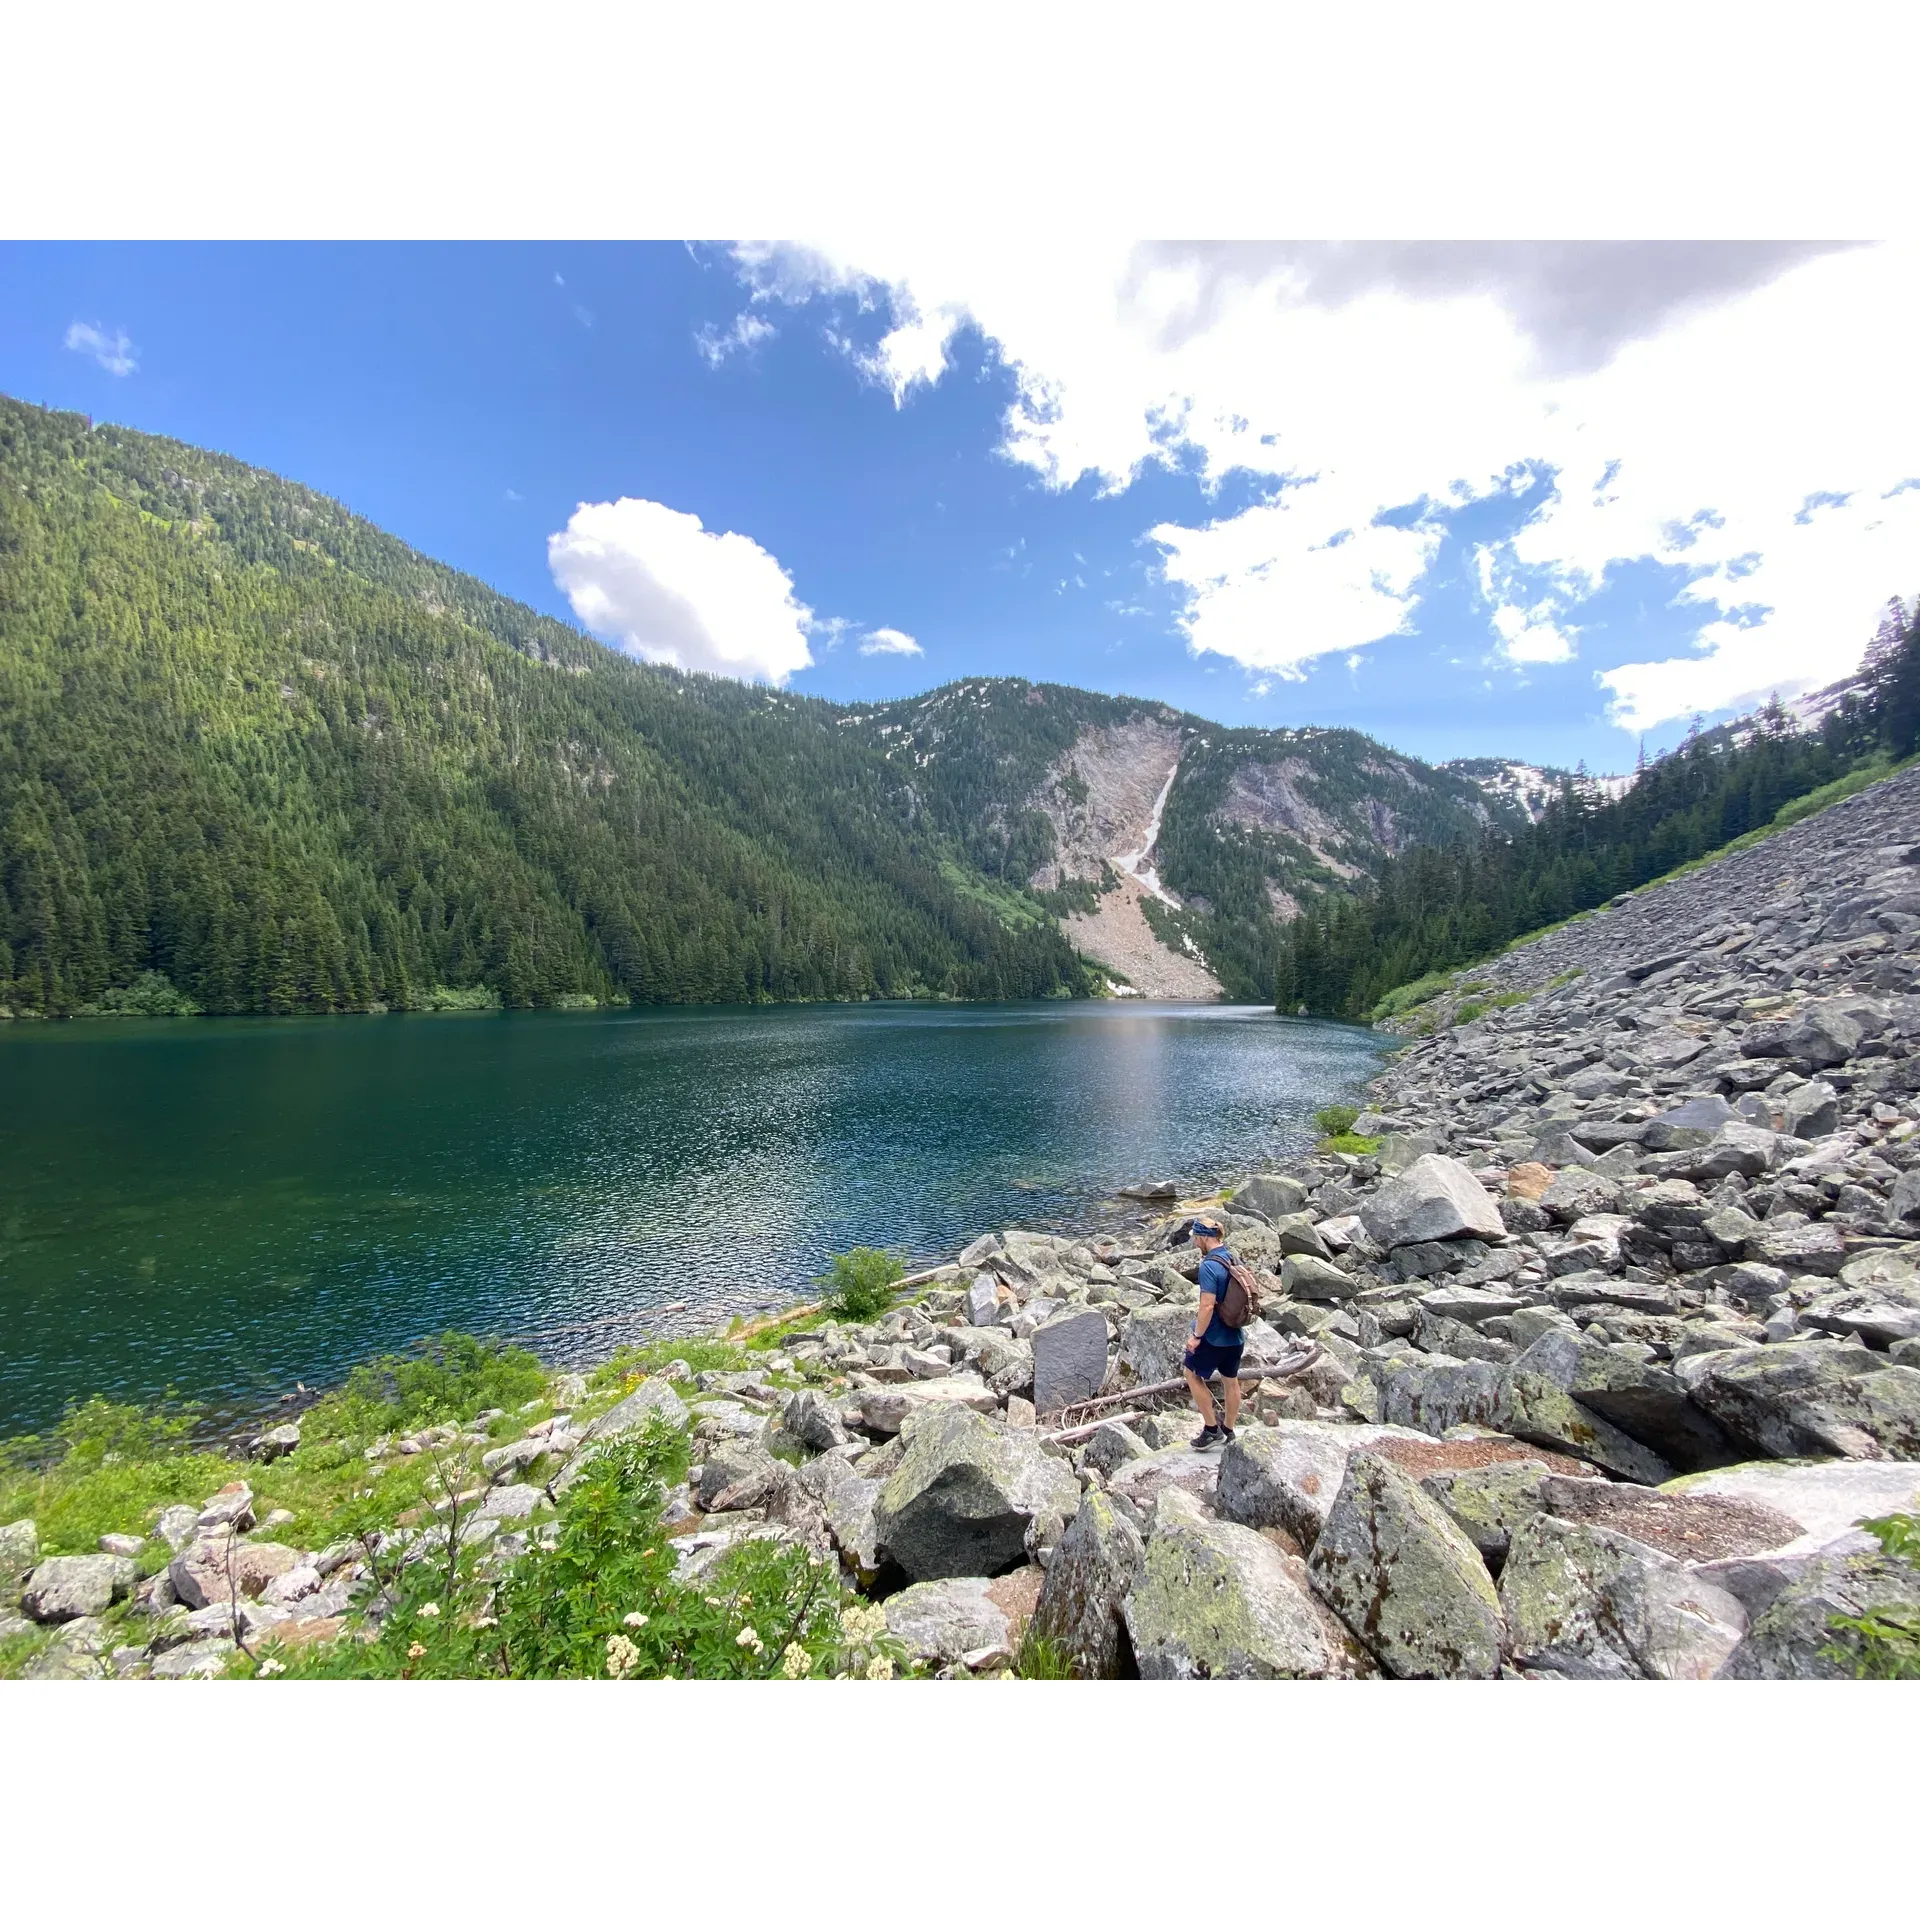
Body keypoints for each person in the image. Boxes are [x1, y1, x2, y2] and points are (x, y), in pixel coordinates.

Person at [1181, 1216, 1243, 1449]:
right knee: (1231, 1381)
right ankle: (1228, 1429)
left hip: (1214, 1336)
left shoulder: (1208, 1265)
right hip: (1235, 1334)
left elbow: (1207, 1306)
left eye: (1196, 1238)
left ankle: (1210, 1430)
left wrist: (1196, 1336)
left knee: (1192, 1374)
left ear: (1204, 1237)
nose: (1195, 1243)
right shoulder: (1232, 1257)